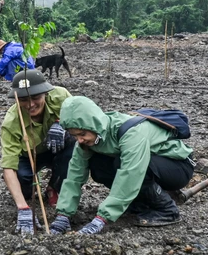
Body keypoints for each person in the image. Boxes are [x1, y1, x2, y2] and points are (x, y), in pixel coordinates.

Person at [49, 96, 195, 235]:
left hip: (178, 166)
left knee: (122, 163)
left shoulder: (131, 132)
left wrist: (102, 218)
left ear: (93, 124)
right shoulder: (89, 139)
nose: (79, 140)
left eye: (82, 134)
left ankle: (167, 211)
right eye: (75, 136)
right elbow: (74, 174)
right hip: (149, 165)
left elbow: (131, 173)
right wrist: (64, 214)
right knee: (97, 164)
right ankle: (139, 205)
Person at [0, 69, 74, 235]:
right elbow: (8, 165)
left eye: (36, 97)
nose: (30, 104)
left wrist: (61, 123)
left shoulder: (60, 96)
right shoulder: (11, 122)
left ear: (45, 94)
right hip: (27, 156)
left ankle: (55, 187)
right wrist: (22, 207)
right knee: (25, 186)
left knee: (75, 144)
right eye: (24, 100)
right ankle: (31, 184)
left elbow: (82, 119)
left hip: (58, 147)